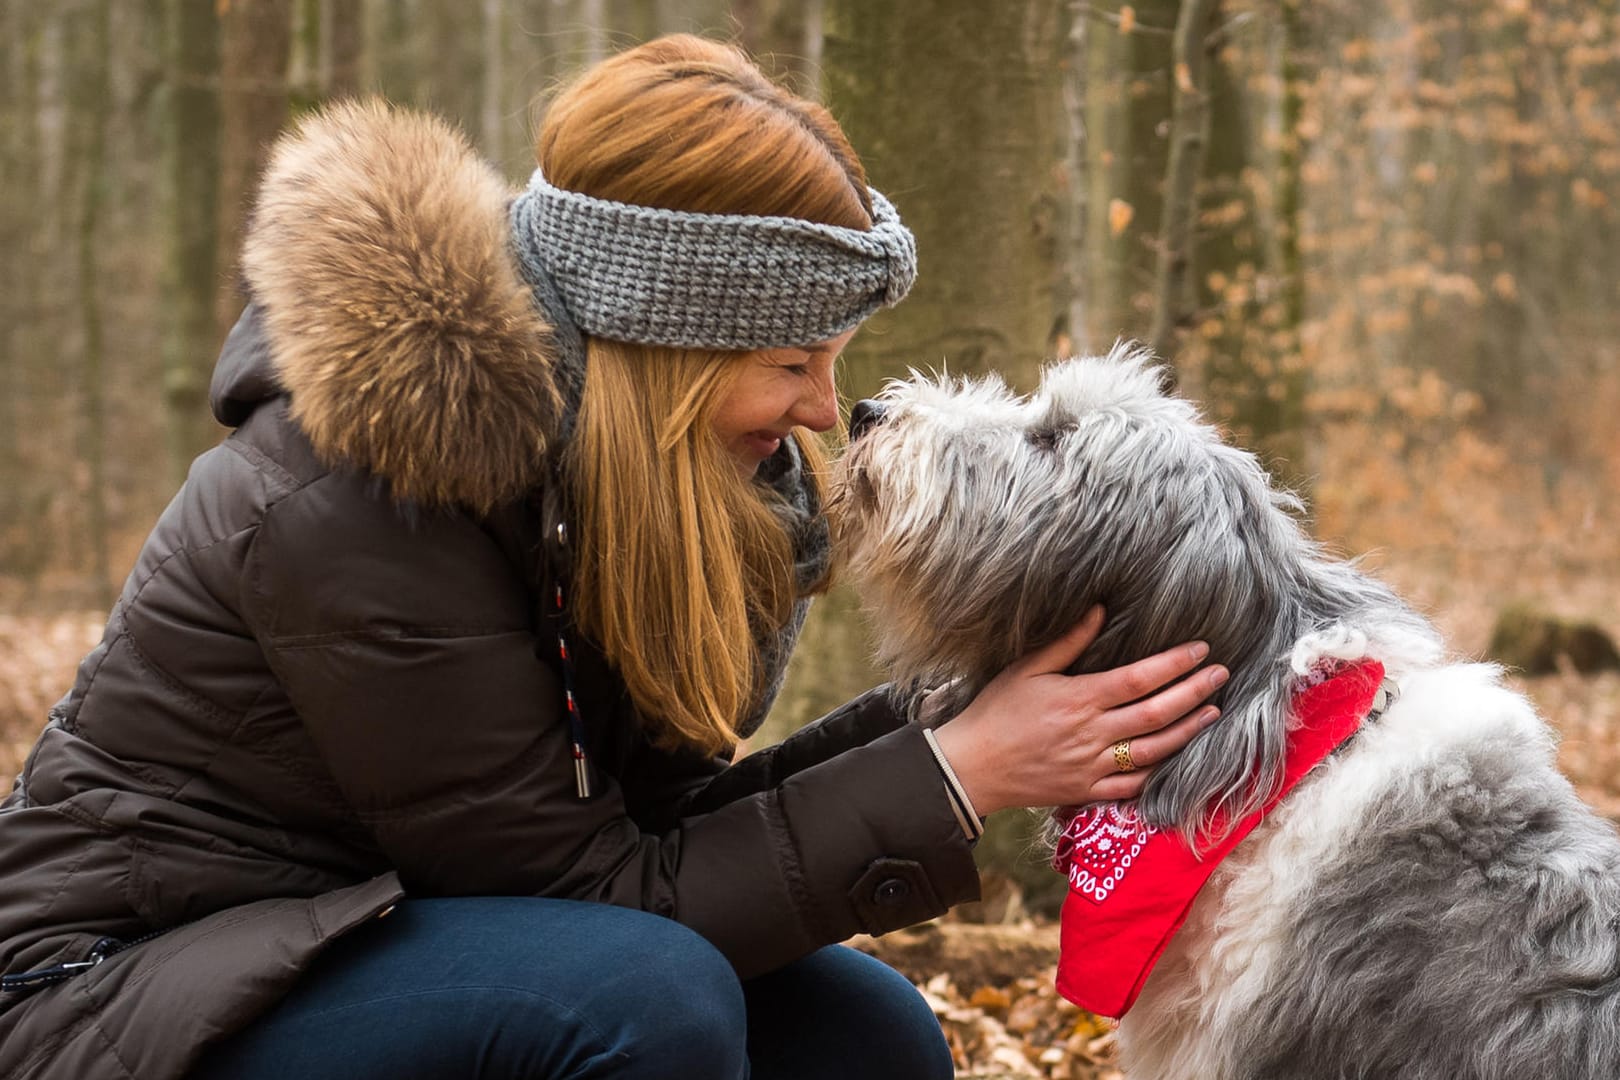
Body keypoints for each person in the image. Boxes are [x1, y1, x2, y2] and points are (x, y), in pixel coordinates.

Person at [0, 34, 1225, 1080]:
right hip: (124, 990)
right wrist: (956, 773)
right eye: (794, 362)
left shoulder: (628, 486)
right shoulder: (364, 493)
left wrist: (953, 719)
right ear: (666, 350)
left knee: (867, 1035)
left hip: (370, 928)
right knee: (644, 1002)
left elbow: (642, 833)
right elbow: (589, 902)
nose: (821, 411)